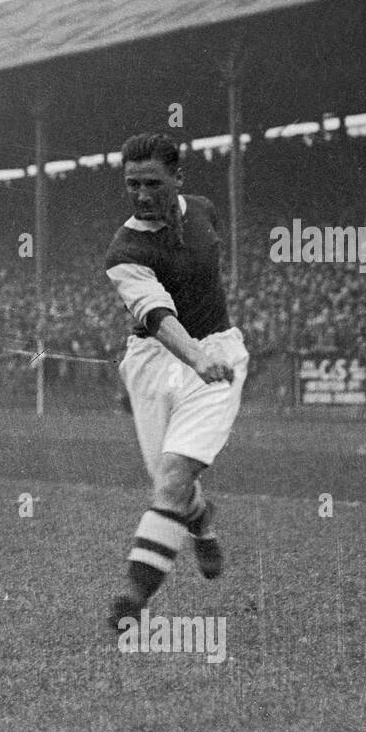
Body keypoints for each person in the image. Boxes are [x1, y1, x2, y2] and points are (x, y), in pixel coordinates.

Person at [102, 133, 249, 630]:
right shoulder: (124, 250)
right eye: (132, 184)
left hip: (219, 357)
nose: (142, 194)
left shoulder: (205, 211)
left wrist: (207, 357)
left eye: (152, 183)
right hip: (154, 360)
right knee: (174, 485)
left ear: (178, 179)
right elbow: (157, 315)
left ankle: (133, 596)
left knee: (172, 479)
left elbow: (204, 277)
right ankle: (202, 524)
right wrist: (190, 355)